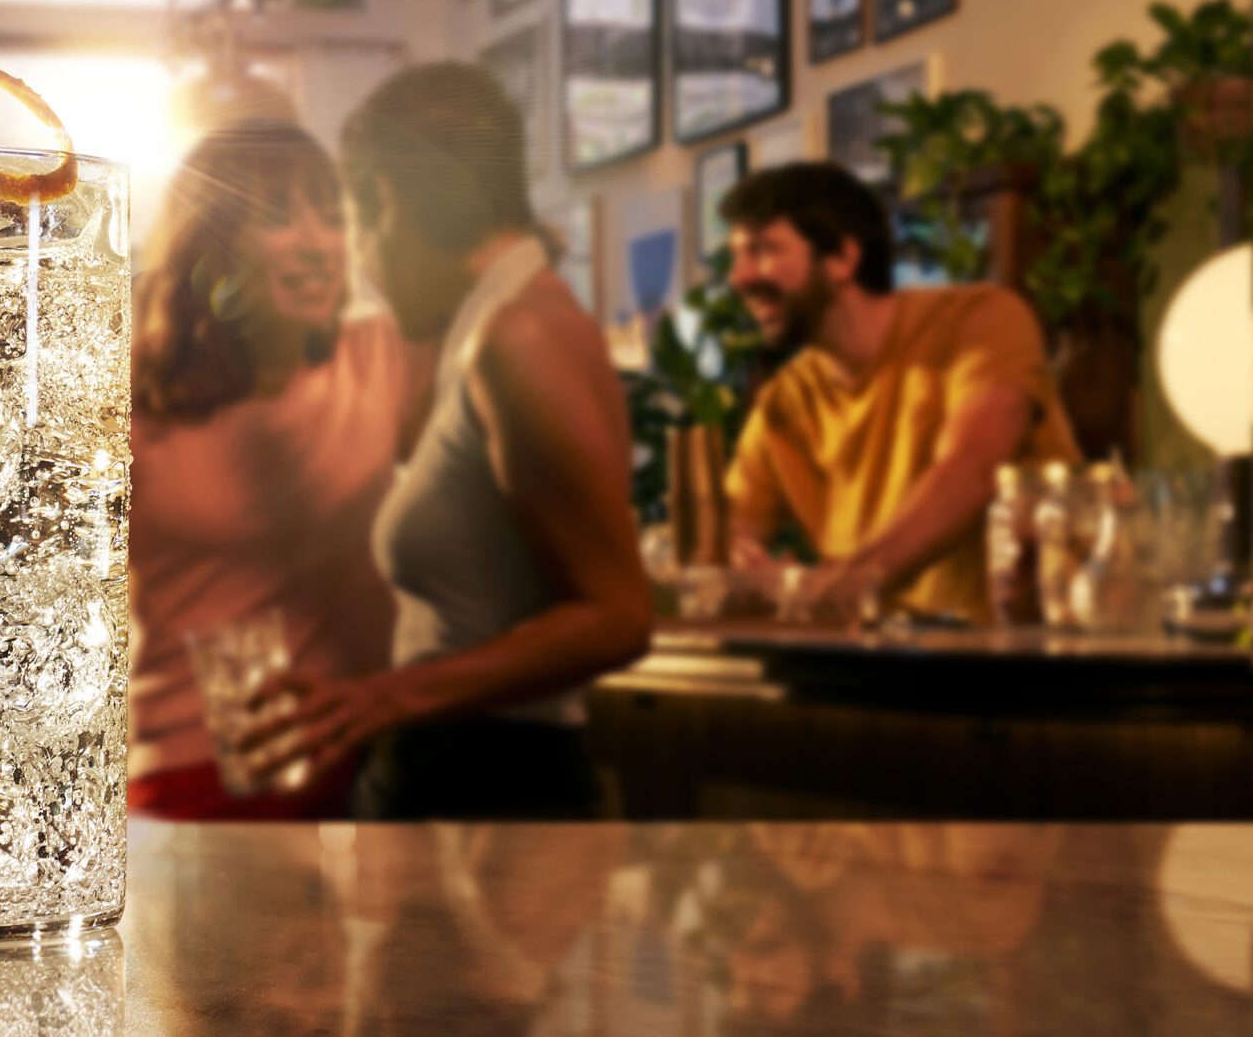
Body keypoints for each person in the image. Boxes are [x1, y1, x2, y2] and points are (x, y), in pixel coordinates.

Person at [245, 62, 653, 820]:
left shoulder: (520, 335)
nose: (359, 265)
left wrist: (380, 697)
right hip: (469, 770)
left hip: (492, 783)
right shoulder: (500, 315)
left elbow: (620, 615)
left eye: (352, 226)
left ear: (387, 204)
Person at [126, 121, 400, 820]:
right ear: (211, 247)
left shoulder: (379, 359)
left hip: (361, 774)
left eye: (331, 215)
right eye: (277, 216)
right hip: (186, 775)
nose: (316, 242)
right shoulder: (132, 389)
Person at [719, 162, 1081, 626]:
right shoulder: (784, 400)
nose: (739, 277)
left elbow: (974, 467)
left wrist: (851, 582)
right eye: (736, 256)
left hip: (1020, 659)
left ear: (843, 259)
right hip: (883, 664)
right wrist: (748, 573)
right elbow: (732, 533)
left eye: (763, 249)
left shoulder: (980, 319)